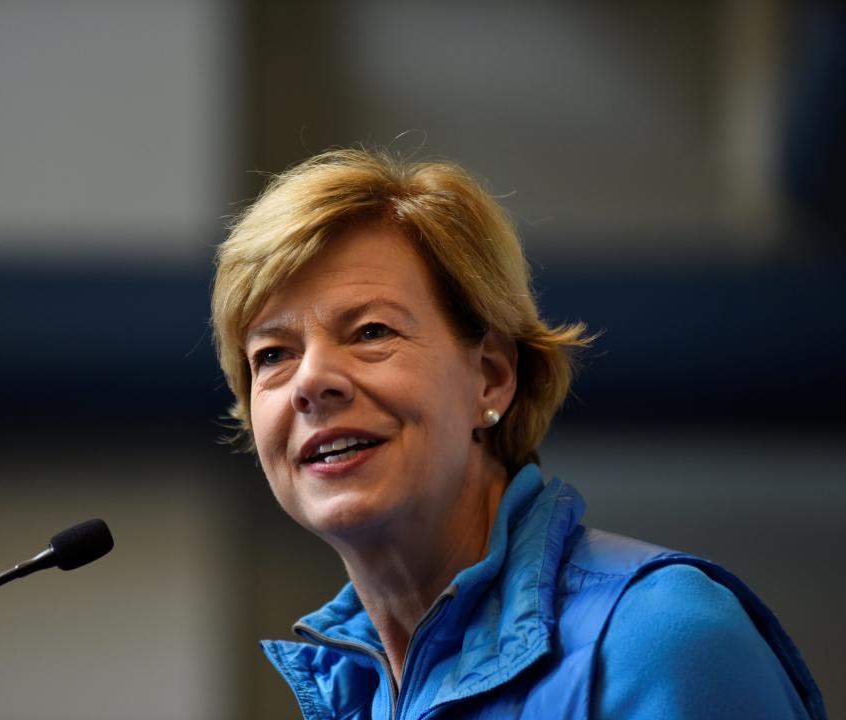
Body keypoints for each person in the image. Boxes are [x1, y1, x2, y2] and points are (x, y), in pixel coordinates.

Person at [211, 148, 826, 719]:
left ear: (491, 377)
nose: (311, 381)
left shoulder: (661, 638)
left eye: (372, 331)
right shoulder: (356, 691)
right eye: (271, 355)